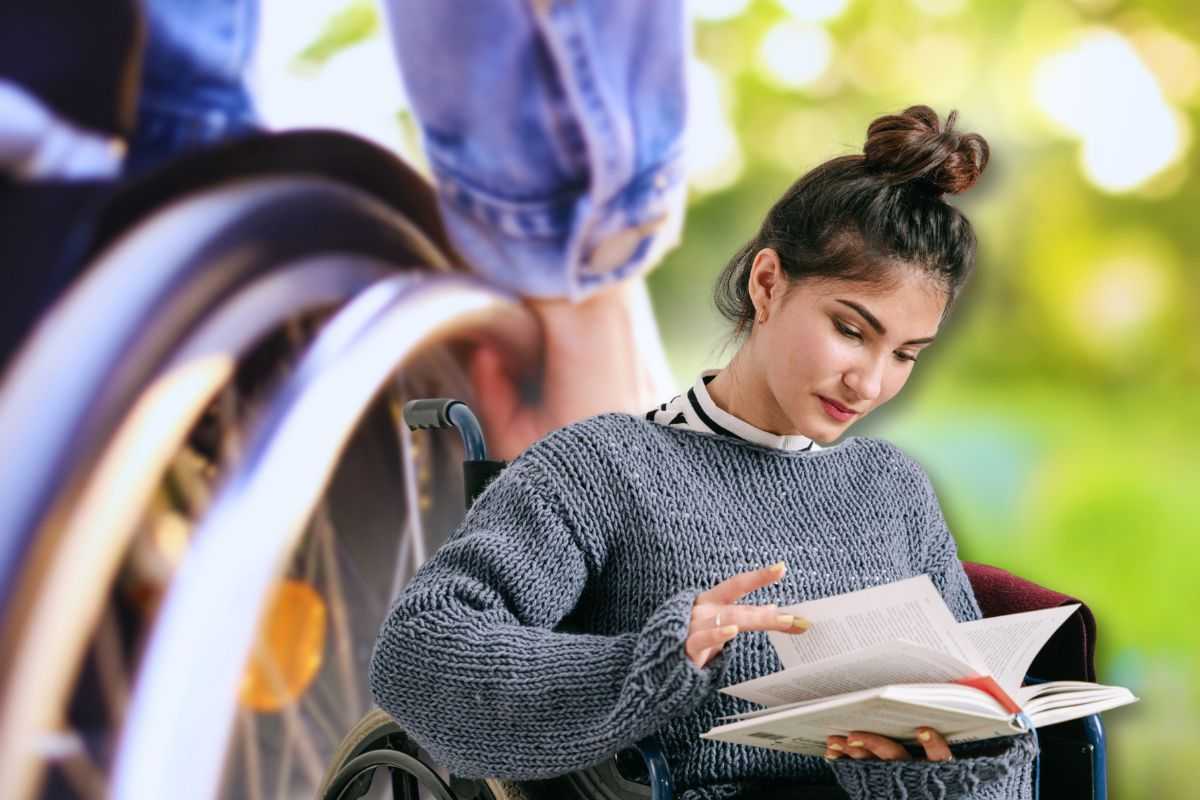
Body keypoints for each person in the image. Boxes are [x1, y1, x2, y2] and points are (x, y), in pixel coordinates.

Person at [368, 106, 1040, 800]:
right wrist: (658, 658)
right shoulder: (606, 466)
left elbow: (981, 713)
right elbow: (419, 651)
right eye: (849, 330)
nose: (870, 383)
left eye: (903, 354)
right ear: (768, 283)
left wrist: (935, 773)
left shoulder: (891, 487)